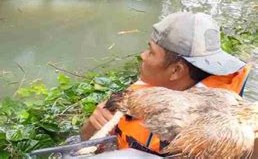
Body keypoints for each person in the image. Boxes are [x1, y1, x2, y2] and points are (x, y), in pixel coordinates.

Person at [80, 12, 254, 155]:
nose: (142, 55)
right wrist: (92, 124)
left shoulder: (221, 132)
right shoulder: (145, 90)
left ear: (176, 70)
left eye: (151, 52)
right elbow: (84, 144)